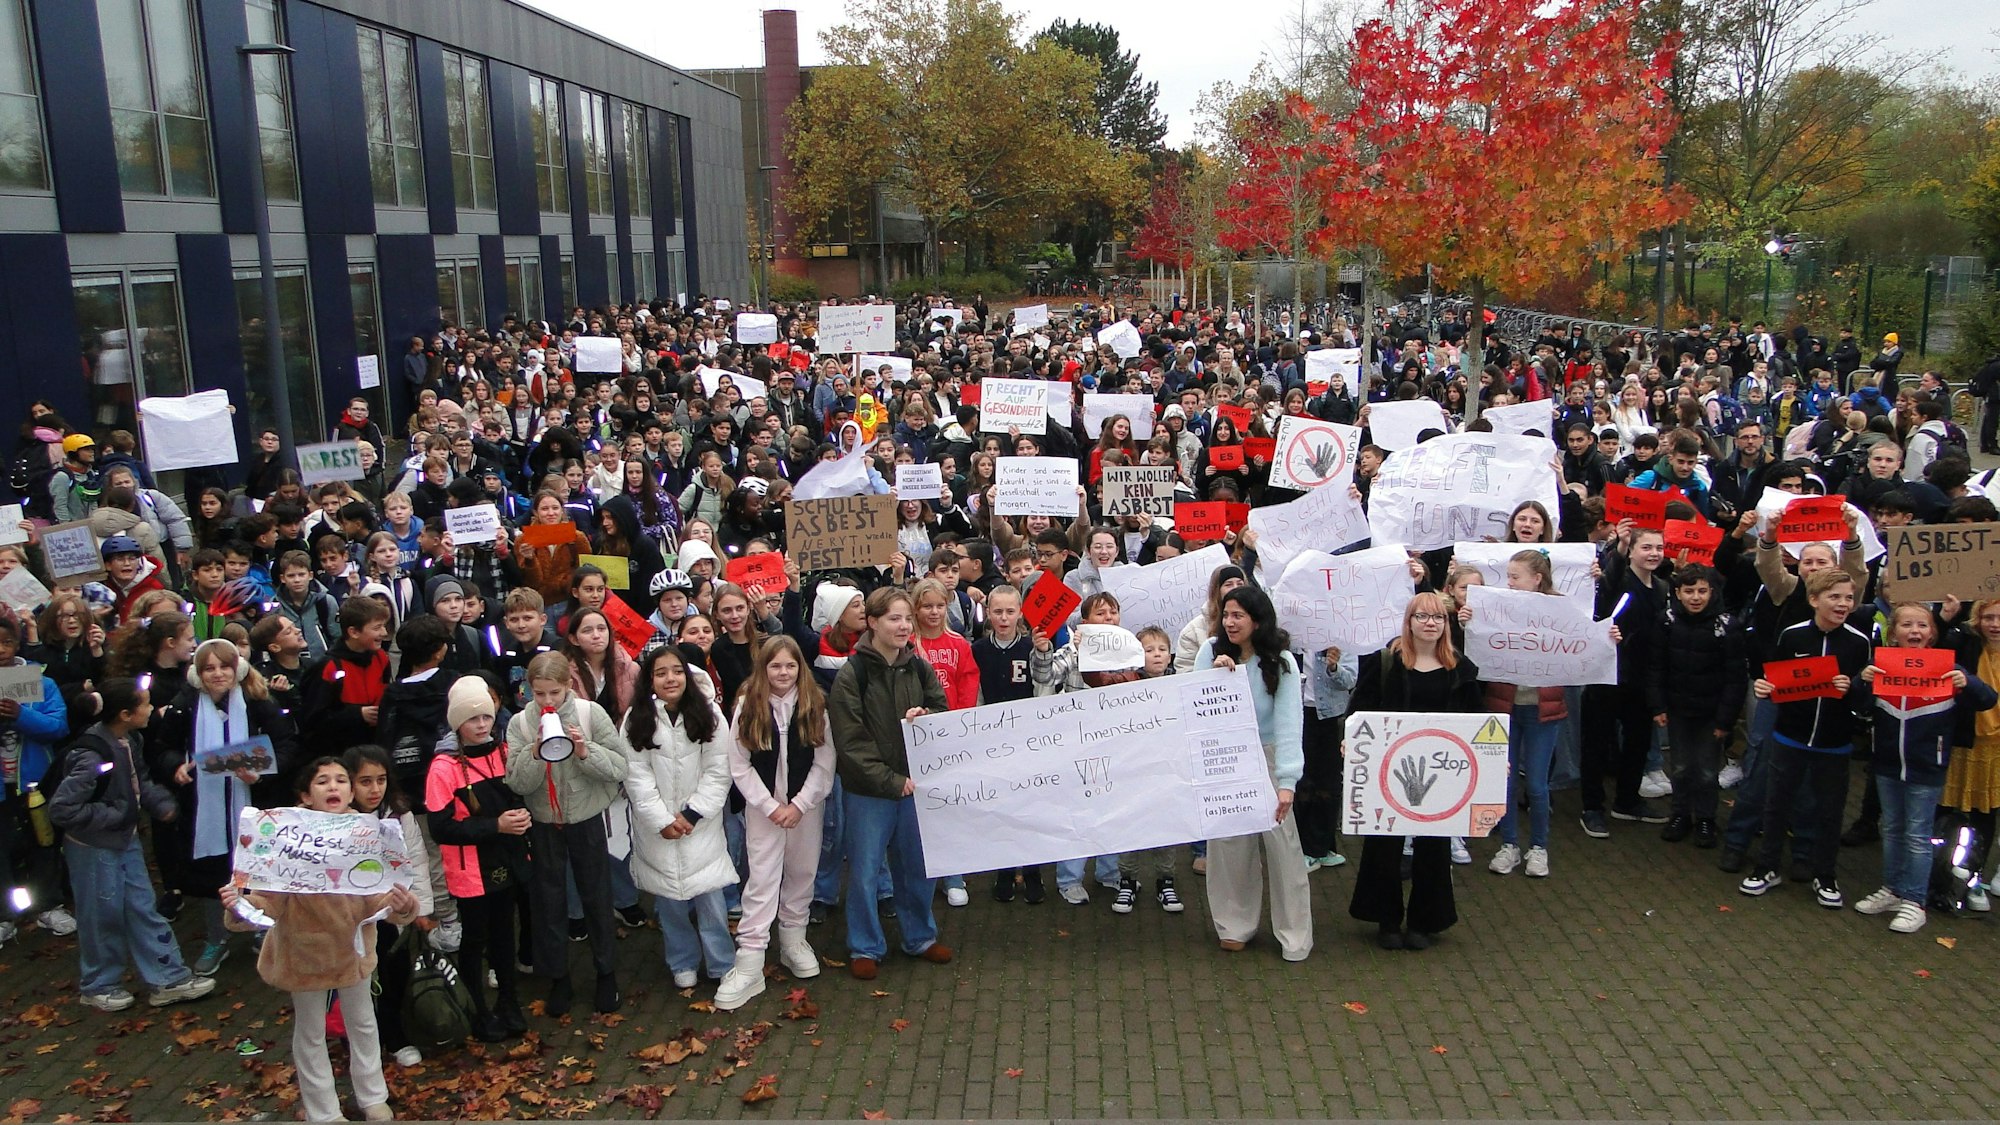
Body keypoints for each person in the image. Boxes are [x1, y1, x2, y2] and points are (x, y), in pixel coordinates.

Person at [222, 756, 419, 1124]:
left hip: (352, 951)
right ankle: (323, 1112)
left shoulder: (366, 834)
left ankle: (373, 1098)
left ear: (350, 792)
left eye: (341, 780)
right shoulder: (286, 837)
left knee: (364, 1024)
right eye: (323, 781)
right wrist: (240, 906)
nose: (334, 786)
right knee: (311, 1032)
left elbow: (377, 895)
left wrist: (402, 905)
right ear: (305, 795)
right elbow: (267, 900)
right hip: (303, 952)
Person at [48, 677, 217, 1012]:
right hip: (93, 848)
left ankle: (168, 978)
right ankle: (99, 984)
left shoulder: (131, 740)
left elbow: (139, 780)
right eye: (145, 704)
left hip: (125, 841)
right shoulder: (91, 755)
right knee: (102, 915)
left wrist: (161, 804)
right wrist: (118, 813)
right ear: (125, 714)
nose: (151, 708)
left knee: (142, 907)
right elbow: (63, 808)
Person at [149, 638, 300, 978]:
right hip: (204, 806)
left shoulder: (258, 702)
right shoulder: (184, 706)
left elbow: (287, 746)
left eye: (224, 667)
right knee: (212, 871)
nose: (218, 674)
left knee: (258, 867)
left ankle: (263, 929)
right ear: (198, 674)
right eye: (209, 669)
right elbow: (162, 748)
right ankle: (216, 937)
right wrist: (176, 767)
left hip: (254, 803)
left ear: (237, 669)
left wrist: (262, 773)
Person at [828, 587, 952, 980]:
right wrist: (891, 781)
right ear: (872, 622)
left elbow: (943, 712)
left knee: (916, 867)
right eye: (894, 618)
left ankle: (920, 937)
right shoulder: (852, 675)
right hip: (869, 793)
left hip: (913, 789)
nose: (903, 626)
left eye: (906, 618)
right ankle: (865, 945)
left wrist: (926, 716)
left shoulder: (919, 668)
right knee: (865, 873)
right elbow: (850, 742)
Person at [1347, 592, 1481, 950]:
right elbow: (1361, 707)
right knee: (1384, 844)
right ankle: (1387, 919)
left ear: (1446, 624)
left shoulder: (1461, 669)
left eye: (1437, 617)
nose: (1430, 623)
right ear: (1408, 622)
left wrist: (1492, 758)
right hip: (1390, 767)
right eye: (1422, 616)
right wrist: (1351, 739)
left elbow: (1475, 720)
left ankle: (1424, 921)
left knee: (1434, 846)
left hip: (1441, 771)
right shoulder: (1387, 662)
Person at [1854, 603, 1997, 933]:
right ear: (1893, 633)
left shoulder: (1948, 667)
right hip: (1888, 763)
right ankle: (1893, 890)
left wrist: (1967, 682)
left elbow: (1988, 699)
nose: (1914, 631)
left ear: (1932, 633)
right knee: (1892, 829)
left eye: (1921, 625)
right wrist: (1861, 681)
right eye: (1906, 625)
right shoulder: (1879, 665)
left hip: (1927, 766)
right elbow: (1858, 707)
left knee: (1918, 835)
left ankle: (1914, 901)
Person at [504, 651, 630, 1015]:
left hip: (586, 818)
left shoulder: (591, 714)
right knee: (549, 903)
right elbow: (517, 782)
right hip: (544, 823)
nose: (547, 701)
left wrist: (584, 751)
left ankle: (606, 973)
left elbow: (619, 767)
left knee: (596, 897)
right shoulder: (520, 724)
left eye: (555, 693)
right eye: (539, 693)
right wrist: (535, 753)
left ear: (568, 686)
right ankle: (558, 977)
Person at [1739, 569, 1872, 907]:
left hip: (1835, 743)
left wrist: (1852, 688)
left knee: (1830, 811)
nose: (1843, 604)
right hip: (1790, 738)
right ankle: (1767, 867)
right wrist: (1764, 688)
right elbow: (1775, 682)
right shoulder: (1792, 636)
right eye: (1834, 597)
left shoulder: (1859, 642)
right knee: (1777, 804)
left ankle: (1825, 875)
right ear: (1814, 600)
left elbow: (1865, 700)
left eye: (1848, 598)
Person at [1193, 586, 1312, 961]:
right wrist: (1215, 679)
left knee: (1283, 848)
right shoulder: (1209, 652)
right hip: (1227, 756)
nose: (1230, 623)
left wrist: (1287, 782)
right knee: (1229, 844)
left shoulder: (1282, 662)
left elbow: (1290, 723)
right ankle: (1233, 925)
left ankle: (1294, 934)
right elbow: (1195, 710)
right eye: (1226, 615)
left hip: (1269, 754)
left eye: (1238, 616)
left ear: (1257, 621)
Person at [720, 636, 835, 1009]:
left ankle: (793, 939)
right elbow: (739, 764)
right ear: (763, 668)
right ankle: (750, 961)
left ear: (800, 668)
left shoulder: (814, 704)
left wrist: (800, 804)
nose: (783, 673)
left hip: (805, 807)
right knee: (762, 878)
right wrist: (769, 806)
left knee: (802, 871)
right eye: (775, 666)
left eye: (790, 666)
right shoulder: (748, 705)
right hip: (764, 809)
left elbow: (825, 762)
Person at [623, 643, 738, 992]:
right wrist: (661, 819)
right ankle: (683, 961)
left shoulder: (710, 715)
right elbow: (635, 774)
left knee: (711, 899)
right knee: (669, 901)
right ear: (650, 680)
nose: (670, 679)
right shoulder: (636, 718)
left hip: (700, 825)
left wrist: (692, 814)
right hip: (657, 828)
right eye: (661, 673)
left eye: (676, 671)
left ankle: (721, 962)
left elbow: (719, 770)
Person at [426, 677, 530, 1042]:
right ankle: (477, 1009)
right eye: (473, 719)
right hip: (470, 868)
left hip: (508, 858)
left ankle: (508, 1000)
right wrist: (496, 825)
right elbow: (441, 828)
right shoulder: (443, 768)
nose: (482, 725)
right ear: (457, 722)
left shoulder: (503, 751)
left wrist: (521, 815)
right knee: (475, 938)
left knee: (504, 933)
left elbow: (520, 793)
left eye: (487, 716)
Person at [343, 744, 436, 1067]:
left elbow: (417, 859)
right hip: (353, 914)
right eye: (365, 781)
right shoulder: (337, 818)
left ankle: (396, 1035)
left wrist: (421, 908)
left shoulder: (398, 813)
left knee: (394, 971)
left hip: (392, 909)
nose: (374, 789)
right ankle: (356, 1036)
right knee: (357, 978)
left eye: (380, 780)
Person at [1647, 565, 1745, 848]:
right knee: (1679, 766)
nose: (1696, 597)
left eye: (1702, 591)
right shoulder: (1666, 621)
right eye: (1689, 591)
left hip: (1711, 713)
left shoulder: (1727, 626)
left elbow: (1736, 678)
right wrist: (1658, 705)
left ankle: (1705, 818)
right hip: (1677, 709)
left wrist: (1725, 720)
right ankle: (1680, 814)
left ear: (1712, 592)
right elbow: (1655, 667)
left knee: (1706, 769)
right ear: (1678, 593)